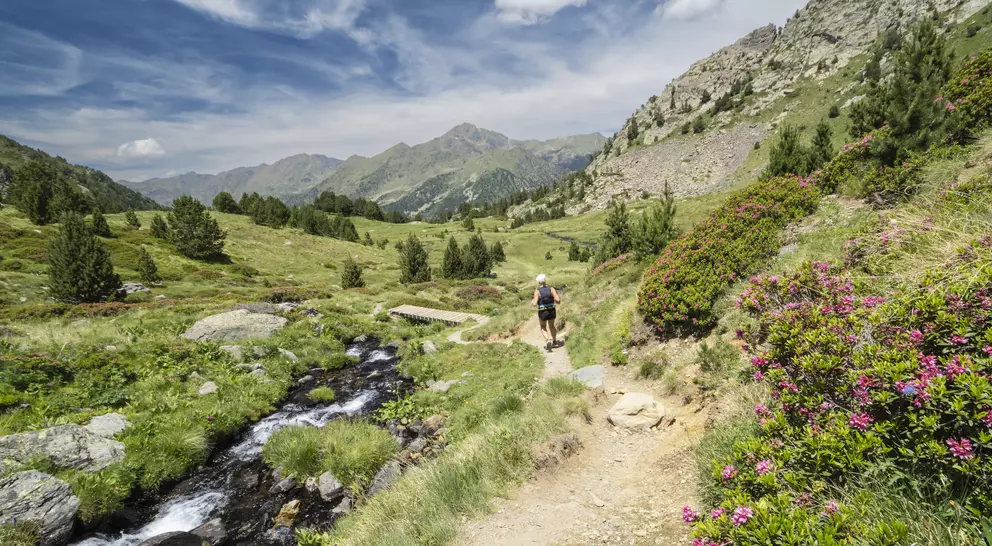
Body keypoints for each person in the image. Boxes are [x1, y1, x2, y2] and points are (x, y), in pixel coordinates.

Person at [531, 274, 561, 352]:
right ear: (545, 281)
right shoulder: (551, 289)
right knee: (552, 326)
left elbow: (534, 304)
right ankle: (555, 342)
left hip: (543, 311)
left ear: (538, 282)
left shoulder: (537, 291)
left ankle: (548, 340)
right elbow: (558, 300)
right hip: (551, 310)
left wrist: (532, 302)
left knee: (543, 327)